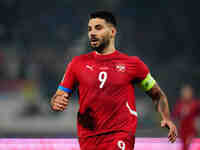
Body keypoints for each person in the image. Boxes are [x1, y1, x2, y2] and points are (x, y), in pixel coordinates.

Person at [50, 10, 177, 150]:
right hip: (88, 139)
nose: (92, 33)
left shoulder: (133, 64)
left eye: (98, 28)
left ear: (112, 32)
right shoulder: (77, 64)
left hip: (120, 135)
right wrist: (56, 102)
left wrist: (166, 118)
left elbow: (158, 96)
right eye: (89, 29)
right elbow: (59, 95)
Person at [173, 85, 200, 150]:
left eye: (188, 92)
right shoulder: (179, 105)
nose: (186, 94)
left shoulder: (196, 104)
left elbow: (197, 119)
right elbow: (176, 119)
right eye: (184, 92)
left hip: (192, 133)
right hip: (182, 134)